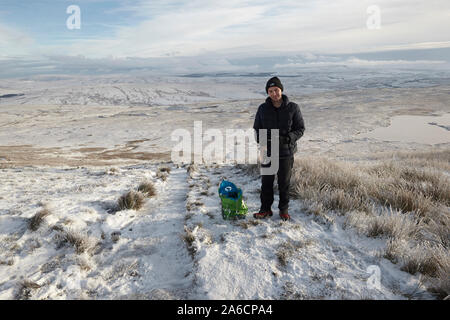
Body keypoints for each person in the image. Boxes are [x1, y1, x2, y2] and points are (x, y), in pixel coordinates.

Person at [253, 76, 305, 221]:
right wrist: (263, 144)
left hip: (286, 152)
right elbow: (257, 128)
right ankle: (265, 209)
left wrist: (288, 138)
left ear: (281, 90)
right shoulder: (263, 109)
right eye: (270, 91)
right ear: (267, 93)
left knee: (284, 183)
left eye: (276, 90)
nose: (274, 93)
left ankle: (283, 210)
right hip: (268, 152)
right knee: (266, 183)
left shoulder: (293, 108)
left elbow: (300, 129)